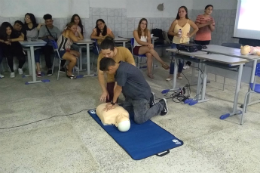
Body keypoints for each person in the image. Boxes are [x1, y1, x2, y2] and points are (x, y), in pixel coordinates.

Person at [99, 58, 168, 124]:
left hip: (140, 96)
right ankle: (150, 97)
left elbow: (119, 88)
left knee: (139, 119)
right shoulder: (120, 65)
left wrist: (113, 103)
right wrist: (113, 102)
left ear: (110, 68)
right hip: (131, 96)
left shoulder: (122, 71)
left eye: (106, 72)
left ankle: (161, 105)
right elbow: (117, 85)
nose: (107, 73)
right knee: (125, 111)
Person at [98, 37, 136, 103]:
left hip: (125, 78)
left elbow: (133, 68)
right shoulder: (101, 56)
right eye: (104, 54)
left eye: (108, 53)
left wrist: (120, 80)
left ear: (114, 49)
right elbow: (100, 73)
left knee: (132, 100)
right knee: (110, 100)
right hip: (111, 79)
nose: (106, 56)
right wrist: (104, 91)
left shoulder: (124, 51)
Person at [166, 6, 198, 81]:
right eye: (179, 11)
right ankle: (171, 74)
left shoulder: (189, 21)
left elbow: (196, 28)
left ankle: (179, 73)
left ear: (186, 12)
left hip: (185, 43)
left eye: (182, 11)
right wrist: (176, 34)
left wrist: (190, 35)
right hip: (175, 42)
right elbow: (169, 32)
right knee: (173, 59)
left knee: (181, 60)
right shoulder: (175, 21)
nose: (181, 13)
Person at [24, 13, 43, 77]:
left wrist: (40, 25)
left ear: (32, 19)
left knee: (36, 53)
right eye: (26, 17)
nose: (26, 19)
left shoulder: (37, 26)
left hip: (36, 44)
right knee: (31, 54)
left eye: (28, 18)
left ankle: (38, 69)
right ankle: (32, 70)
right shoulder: (24, 27)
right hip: (27, 45)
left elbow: (45, 24)